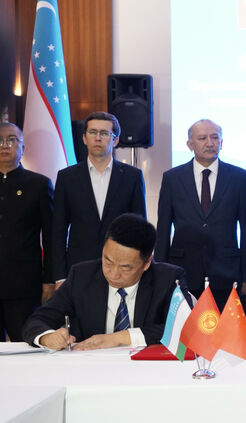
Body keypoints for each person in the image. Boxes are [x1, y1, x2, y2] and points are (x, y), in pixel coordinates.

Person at [22, 213, 188, 350]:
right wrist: (47, 337)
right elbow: (37, 320)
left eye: (125, 267)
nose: (113, 274)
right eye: (107, 261)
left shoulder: (169, 279)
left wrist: (119, 338)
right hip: (92, 369)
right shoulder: (81, 276)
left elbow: (183, 328)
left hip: (146, 371)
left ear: (147, 263)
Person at [155, 119, 246, 311]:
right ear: (190, 145)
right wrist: (160, 272)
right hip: (183, 272)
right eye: (202, 138)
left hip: (227, 272)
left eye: (215, 137)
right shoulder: (172, 178)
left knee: (223, 329)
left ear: (222, 142)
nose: (210, 143)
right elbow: (163, 228)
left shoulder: (239, 177)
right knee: (186, 328)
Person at [51, 111, 146, 285]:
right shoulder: (67, 177)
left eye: (104, 133)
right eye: (92, 132)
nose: (98, 138)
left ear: (115, 140)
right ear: (84, 138)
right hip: (78, 268)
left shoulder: (132, 176)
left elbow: (139, 228)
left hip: (121, 268)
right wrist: (59, 276)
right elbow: (58, 230)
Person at [0, 123, 53, 341]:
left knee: (26, 345)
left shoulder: (39, 185)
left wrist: (49, 280)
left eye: (12, 140)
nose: (5, 145)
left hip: (24, 285)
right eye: (0, 140)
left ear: (23, 147)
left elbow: (51, 237)